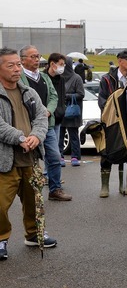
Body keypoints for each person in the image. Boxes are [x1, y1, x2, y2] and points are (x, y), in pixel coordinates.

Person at [0, 47, 56, 261]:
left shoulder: (28, 92)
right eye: (10, 65)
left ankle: (34, 234)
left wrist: (36, 136)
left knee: (34, 200)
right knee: (1, 205)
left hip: (30, 158)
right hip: (6, 160)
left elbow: (42, 117)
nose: (16, 69)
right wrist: (21, 138)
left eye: (18, 64)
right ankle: (1, 239)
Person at [19, 46, 71, 201]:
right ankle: (29, 194)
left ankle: (55, 189)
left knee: (54, 157)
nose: (37, 59)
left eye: (38, 56)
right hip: (27, 126)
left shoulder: (44, 77)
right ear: (22, 60)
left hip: (46, 125)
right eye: (33, 57)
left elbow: (54, 96)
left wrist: (48, 111)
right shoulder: (19, 77)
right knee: (29, 161)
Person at [97, 49, 127, 197]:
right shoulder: (107, 79)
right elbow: (102, 100)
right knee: (107, 151)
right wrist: (112, 114)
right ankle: (105, 186)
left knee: (126, 150)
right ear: (120, 61)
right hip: (111, 121)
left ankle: (123, 185)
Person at [58, 56, 84, 167]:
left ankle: (75, 157)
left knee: (73, 135)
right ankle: (59, 156)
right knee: (60, 135)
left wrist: (67, 96)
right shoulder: (58, 77)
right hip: (60, 111)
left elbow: (81, 94)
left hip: (72, 112)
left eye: (64, 64)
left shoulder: (76, 78)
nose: (62, 66)